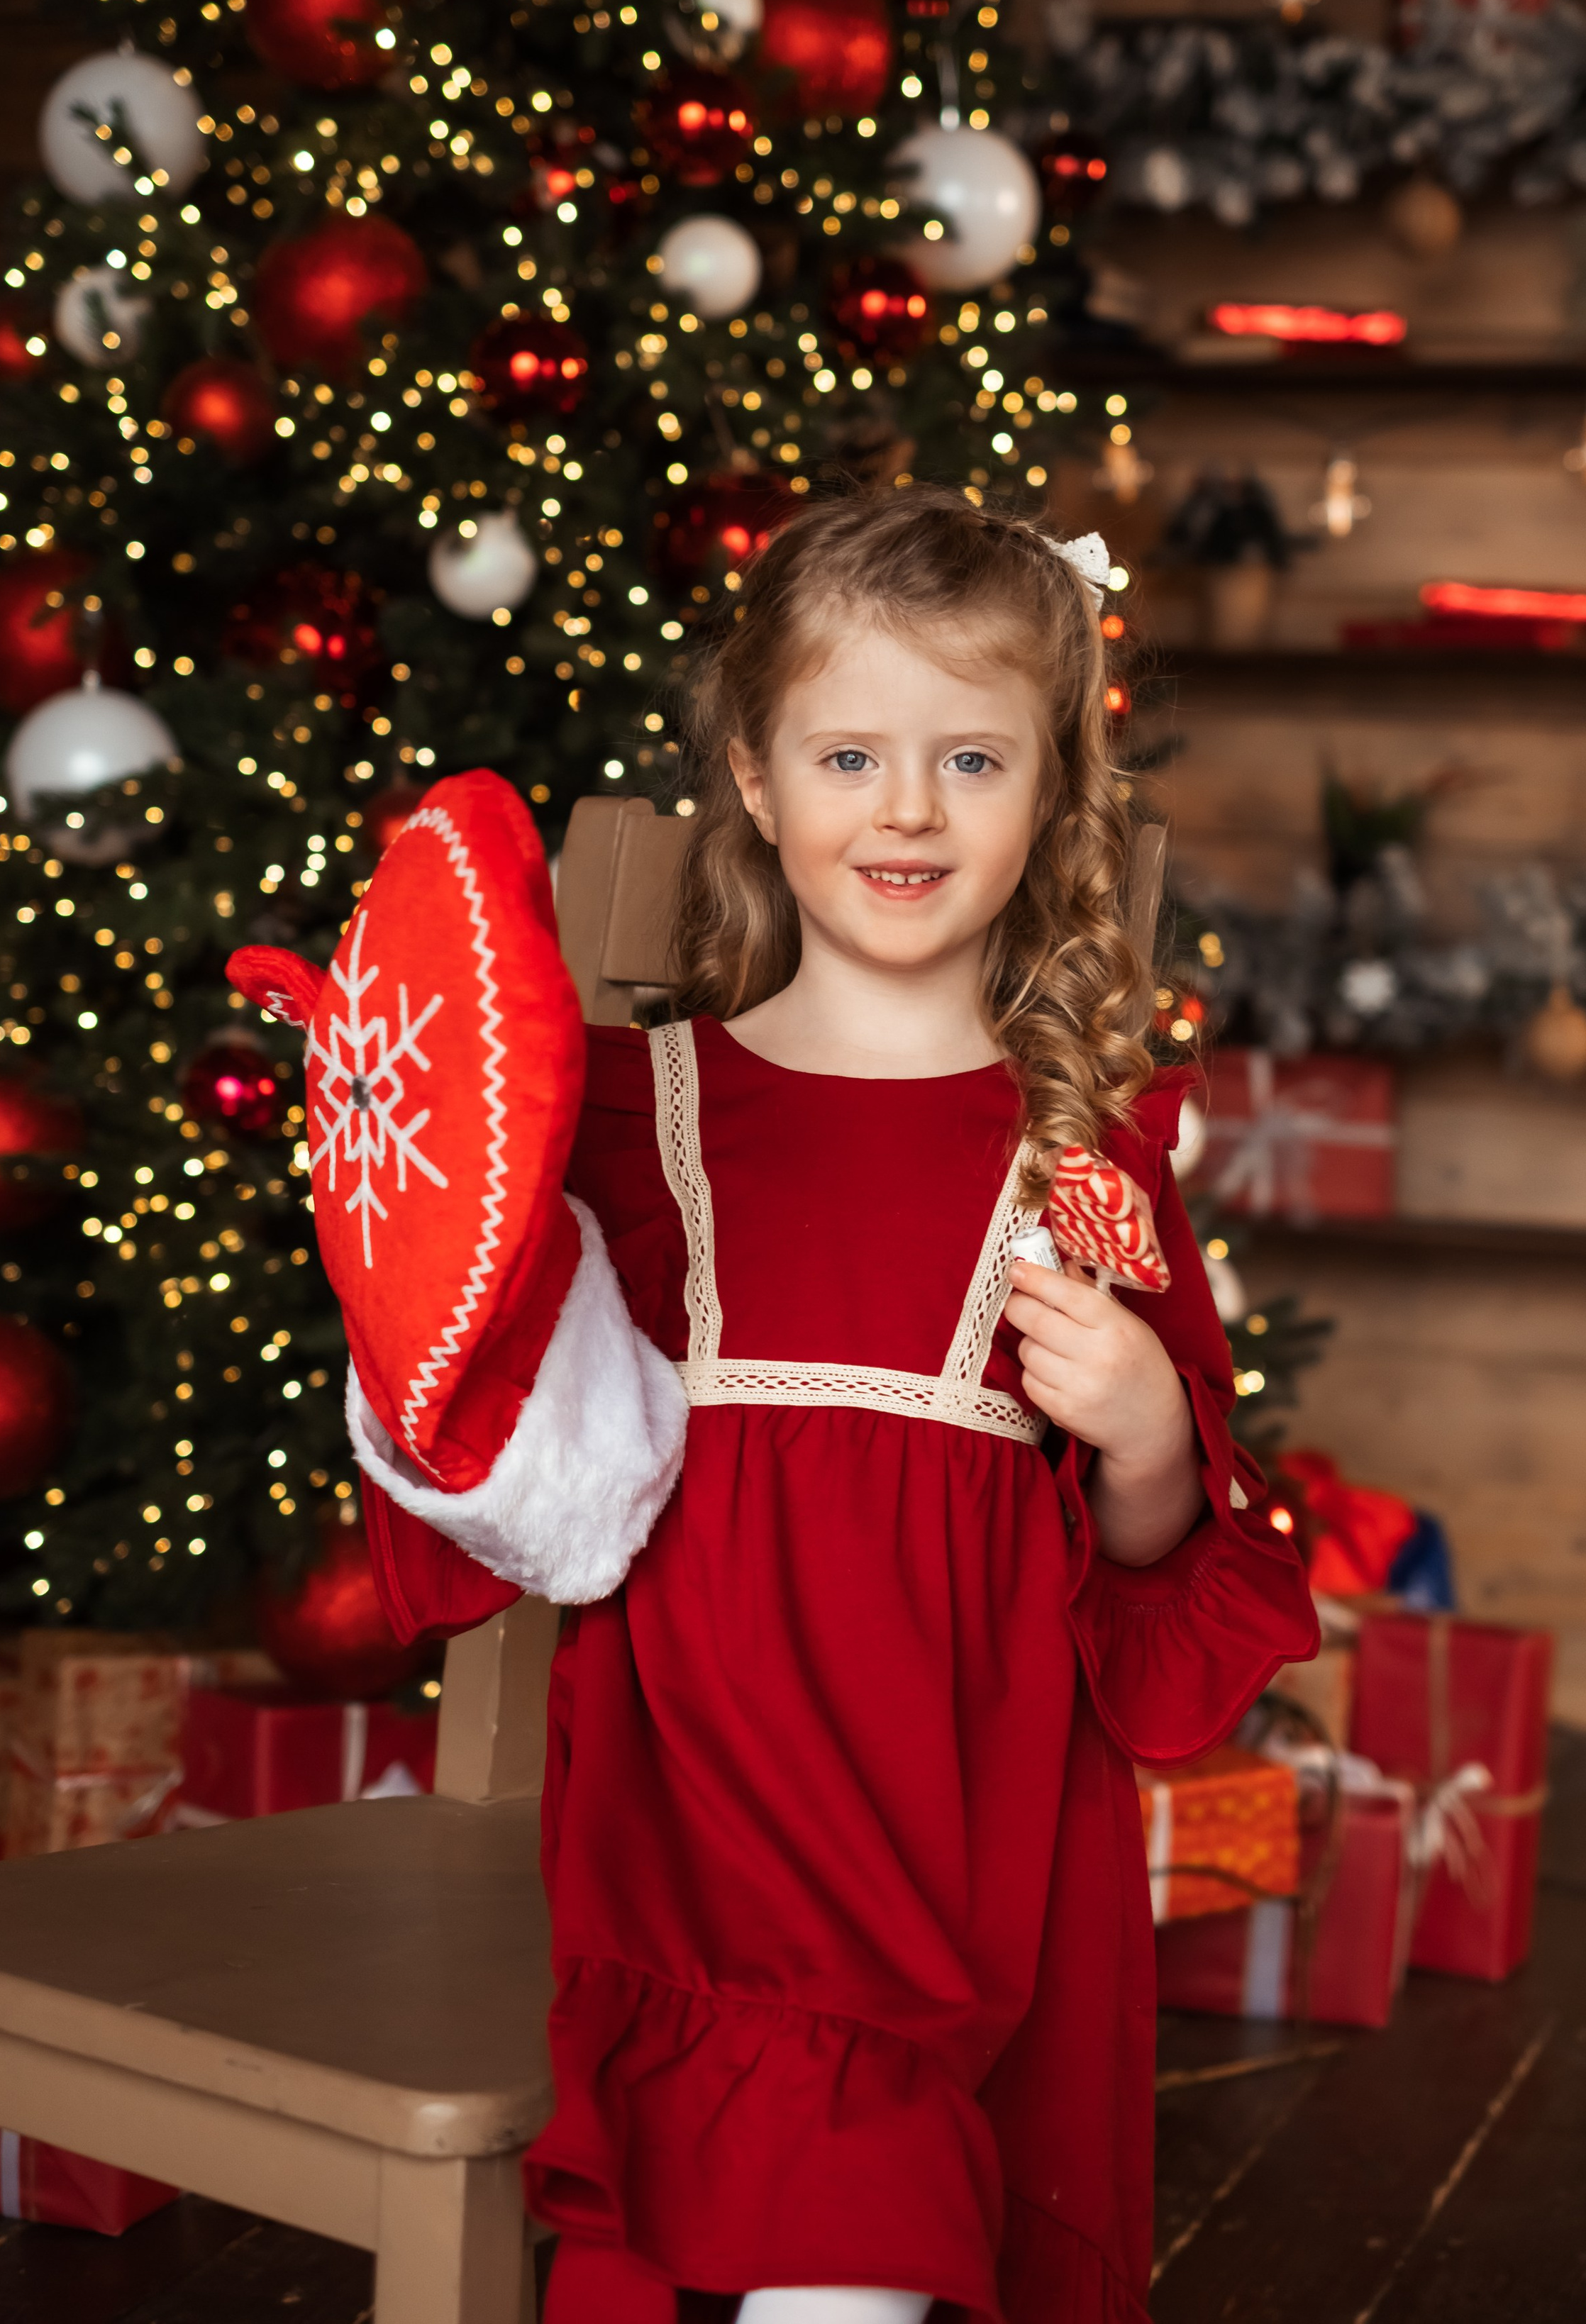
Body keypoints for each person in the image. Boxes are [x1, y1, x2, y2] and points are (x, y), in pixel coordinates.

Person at [347, 488, 1317, 2324]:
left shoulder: (1082, 1162)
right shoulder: (635, 1122)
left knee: (849, 2240)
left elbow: (1146, 1586)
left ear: (1051, 797)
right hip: (682, 1838)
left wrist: (1149, 1438)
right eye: (850, 752)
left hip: (938, 1859)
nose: (909, 809)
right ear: (758, 774)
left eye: (972, 757)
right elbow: (502, 1448)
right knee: (658, 2239)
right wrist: (417, 1280)